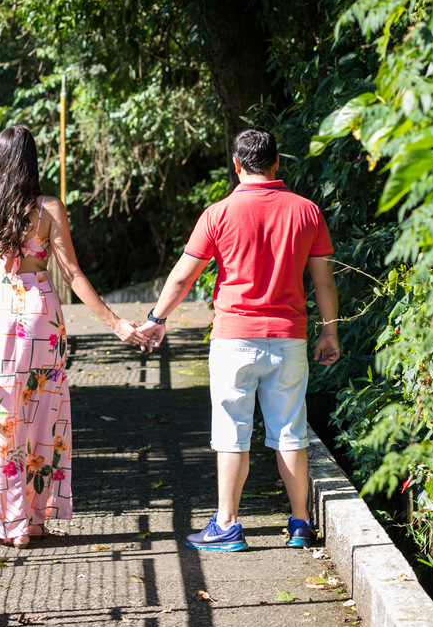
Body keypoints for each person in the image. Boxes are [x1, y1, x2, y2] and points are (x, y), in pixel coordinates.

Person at [0, 125, 151, 548]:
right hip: (40, 315)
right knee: (41, 413)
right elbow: (72, 275)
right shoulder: (48, 208)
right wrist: (116, 324)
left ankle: (9, 521)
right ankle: (35, 519)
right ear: (31, 162)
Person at [138, 128, 341, 551]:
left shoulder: (218, 213)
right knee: (290, 430)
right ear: (277, 163)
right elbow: (323, 281)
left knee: (232, 431)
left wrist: (157, 318)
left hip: (234, 339)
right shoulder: (307, 212)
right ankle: (300, 523)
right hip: (288, 338)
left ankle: (228, 525)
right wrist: (329, 330)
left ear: (237, 165)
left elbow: (182, 276)